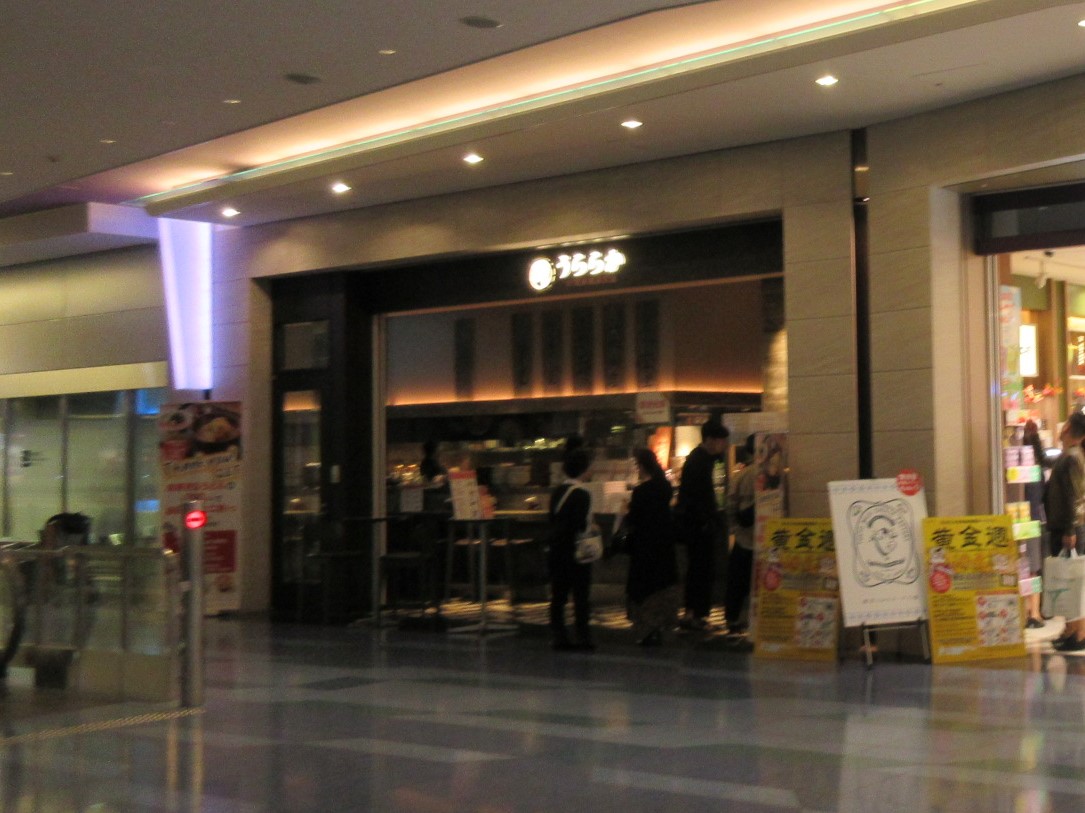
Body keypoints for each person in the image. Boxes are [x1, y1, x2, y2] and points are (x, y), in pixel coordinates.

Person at [675, 419, 729, 631]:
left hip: (697, 525)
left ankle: (691, 613)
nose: (724, 445)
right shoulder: (701, 462)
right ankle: (698, 615)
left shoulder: (701, 459)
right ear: (710, 440)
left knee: (696, 569)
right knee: (703, 569)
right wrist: (711, 519)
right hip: (700, 526)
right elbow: (702, 497)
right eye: (722, 440)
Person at [624, 448, 680, 646]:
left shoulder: (641, 492)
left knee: (645, 588)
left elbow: (634, 519)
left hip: (644, 545)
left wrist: (626, 512)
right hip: (663, 544)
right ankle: (660, 626)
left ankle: (647, 629)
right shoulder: (665, 487)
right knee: (662, 585)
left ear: (641, 466)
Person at [1043, 412, 1085, 651]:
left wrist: (1070, 529)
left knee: (1071, 580)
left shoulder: (1071, 457)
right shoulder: (1069, 455)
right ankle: (1071, 630)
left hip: (1069, 528)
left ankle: (1077, 633)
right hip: (1067, 526)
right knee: (1070, 580)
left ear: (1068, 427)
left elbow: (1074, 497)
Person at [548, 446, 595, 651]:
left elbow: (553, 519)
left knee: (558, 595)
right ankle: (582, 636)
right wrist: (592, 527)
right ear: (584, 469)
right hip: (576, 551)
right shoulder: (583, 493)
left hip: (557, 549)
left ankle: (559, 635)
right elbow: (580, 524)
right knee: (580, 595)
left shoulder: (558, 491)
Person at [724, 434, 757, 635]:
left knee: (737, 582)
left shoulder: (742, 475)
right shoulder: (773, 475)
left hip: (743, 538)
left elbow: (730, 505)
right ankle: (758, 621)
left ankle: (733, 619)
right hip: (766, 539)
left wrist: (734, 528)